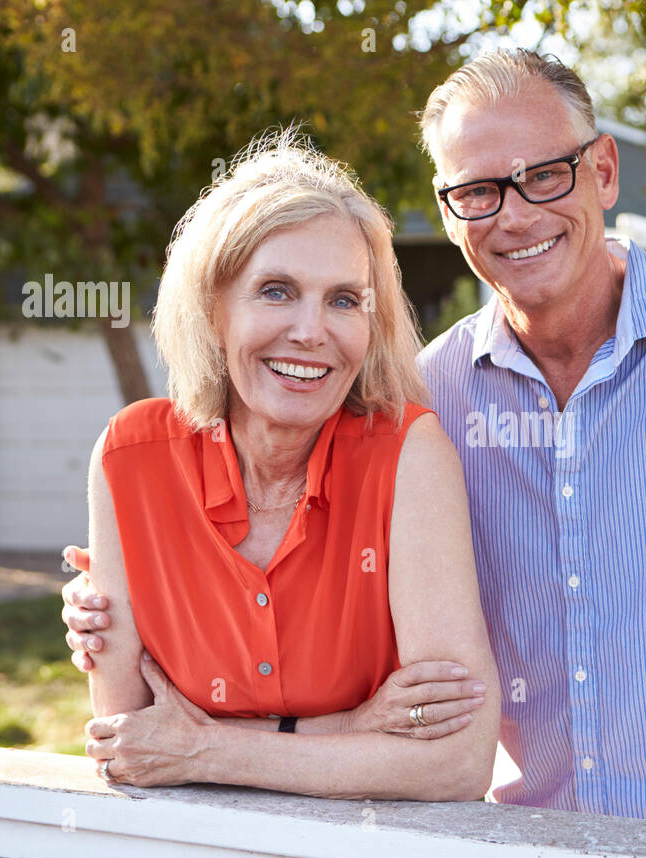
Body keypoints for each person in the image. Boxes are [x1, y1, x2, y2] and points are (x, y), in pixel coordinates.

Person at [64, 51, 646, 858]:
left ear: (603, 172)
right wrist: (128, 599)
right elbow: (289, 554)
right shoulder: (429, 396)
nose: (515, 215)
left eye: (544, 175)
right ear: (449, 214)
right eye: (478, 192)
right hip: (519, 847)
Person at [70, 126, 500, 801]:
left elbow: (458, 763)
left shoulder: (409, 456)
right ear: (213, 310)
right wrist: (350, 727)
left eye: (344, 300)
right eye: (275, 290)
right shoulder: (130, 460)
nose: (311, 331)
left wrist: (208, 745)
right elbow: (129, 740)